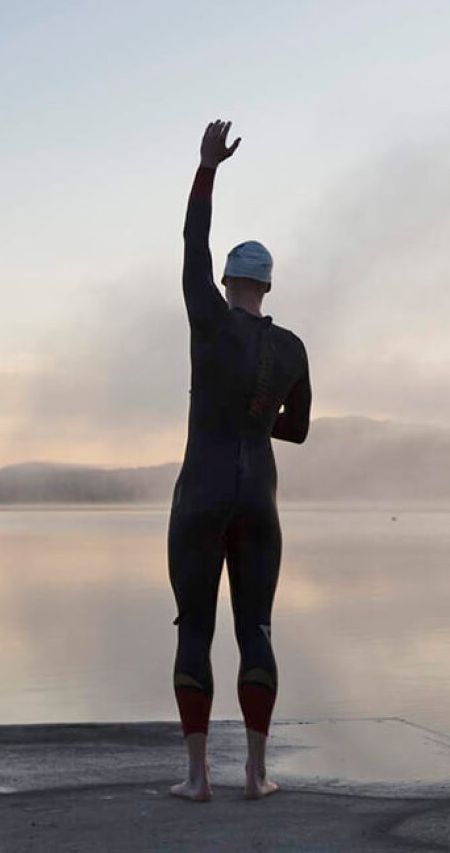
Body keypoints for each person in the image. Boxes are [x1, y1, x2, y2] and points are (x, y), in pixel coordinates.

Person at [168, 120, 312, 801]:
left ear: (228, 281)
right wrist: (257, 419)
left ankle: (197, 779)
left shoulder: (208, 317)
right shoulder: (292, 350)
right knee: (255, 628)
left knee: (195, 628)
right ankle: (257, 774)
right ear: (269, 288)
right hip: (261, 495)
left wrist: (207, 168)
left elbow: (191, 245)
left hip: (199, 492)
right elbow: (300, 429)